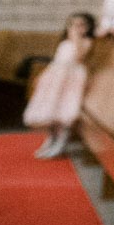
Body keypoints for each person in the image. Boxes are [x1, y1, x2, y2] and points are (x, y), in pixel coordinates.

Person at [23, 12, 95, 159]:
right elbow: (55, 62)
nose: (76, 28)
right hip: (56, 78)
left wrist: (77, 38)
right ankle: (51, 138)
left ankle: (62, 140)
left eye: (81, 25)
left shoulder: (86, 42)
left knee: (63, 109)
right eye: (73, 25)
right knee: (51, 108)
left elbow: (80, 56)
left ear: (88, 28)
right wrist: (42, 76)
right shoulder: (64, 44)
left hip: (71, 79)